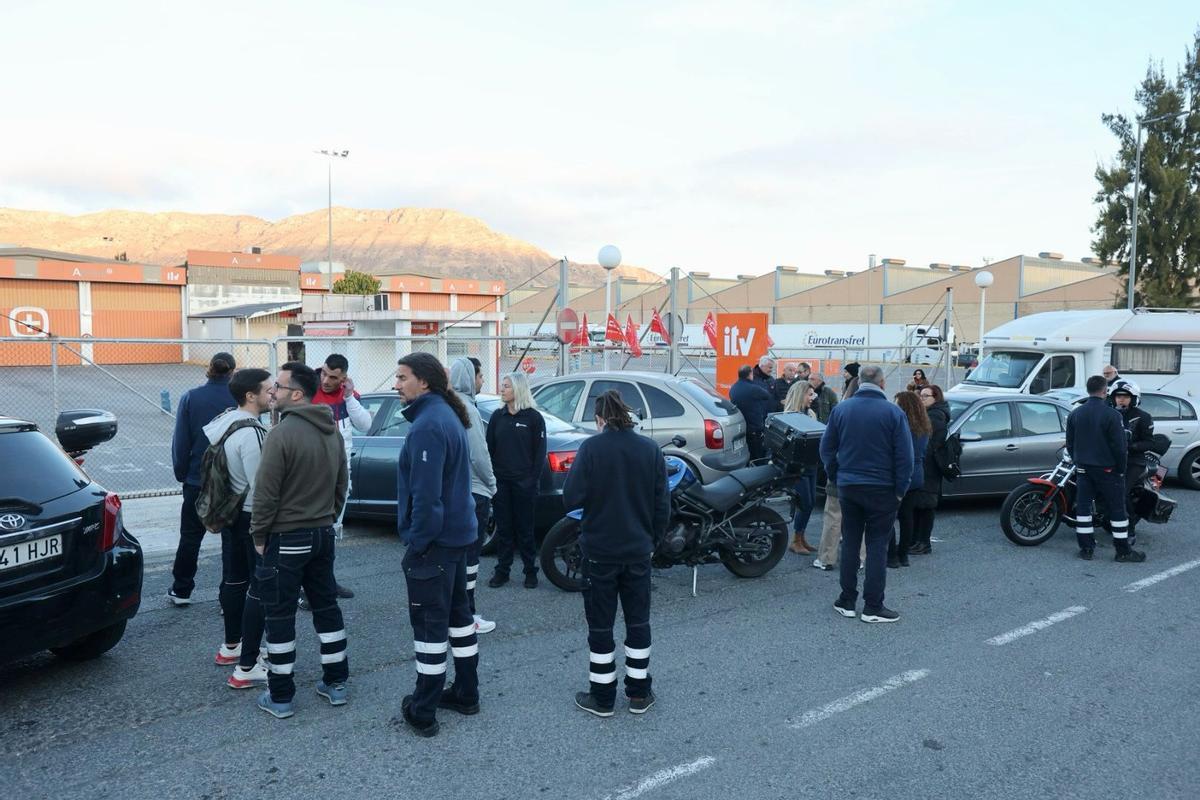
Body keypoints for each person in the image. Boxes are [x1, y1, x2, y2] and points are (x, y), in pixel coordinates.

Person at [252, 362, 350, 719]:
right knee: (326, 607)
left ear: (296, 394)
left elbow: (266, 493)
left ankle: (280, 696)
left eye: (277, 386)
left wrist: (259, 534)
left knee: (279, 614)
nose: (272, 392)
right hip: (323, 534)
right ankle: (336, 682)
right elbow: (343, 483)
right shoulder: (332, 431)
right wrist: (326, 516)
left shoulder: (281, 434)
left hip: (286, 537)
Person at [562, 391, 669, 717]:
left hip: (599, 551)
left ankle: (603, 696)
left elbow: (571, 498)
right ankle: (639, 693)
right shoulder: (649, 449)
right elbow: (662, 505)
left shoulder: (591, 448)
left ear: (599, 419)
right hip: (638, 550)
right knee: (638, 621)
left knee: (600, 626)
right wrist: (652, 541)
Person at [394, 353, 480, 737]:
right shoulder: (445, 415)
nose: (396, 384)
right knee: (459, 621)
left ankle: (423, 709)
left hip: (438, 543)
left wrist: (417, 541)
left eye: (402, 377)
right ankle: (465, 692)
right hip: (459, 537)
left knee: (430, 626)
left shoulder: (428, 425)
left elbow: (427, 498)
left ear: (423, 383)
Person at [819, 365, 913, 623]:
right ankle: (873, 606)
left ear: (859, 382)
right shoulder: (894, 413)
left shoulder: (842, 409)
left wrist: (836, 474)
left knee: (850, 542)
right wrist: (900, 490)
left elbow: (826, 448)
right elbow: (905, 456)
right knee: (876, 546)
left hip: (849, 485)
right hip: (883, 488)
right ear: (882, 383)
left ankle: (847, 600)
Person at [201, 368, 272, 689]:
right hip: (250, 517)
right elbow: (261, 488)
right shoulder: (252, 433)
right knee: (259, 587)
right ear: (250, 395)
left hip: (228, 513)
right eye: (269, 389)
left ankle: (231, 646)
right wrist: (264, 530)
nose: (274, 393)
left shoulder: (224, 423)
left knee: (233, 580)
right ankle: (251, 662)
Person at [168, 352, 236, 606]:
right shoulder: (239, 399)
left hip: (198, 479)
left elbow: (181, 441)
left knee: (190, 537)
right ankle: (228, 595)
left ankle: (182, 589)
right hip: (231, 481)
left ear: (210, 369)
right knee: (231, 541)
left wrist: (182, 473)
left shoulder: (191, 397)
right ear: (232, 371)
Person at [306, 353, 372, 602]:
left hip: (340, 474)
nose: (326, 380)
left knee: (331, 531)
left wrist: (348, 397)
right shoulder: (308, 389)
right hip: (313, 473)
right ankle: (309, 587)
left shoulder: (348, 396)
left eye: (333, 377)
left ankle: (327, 582)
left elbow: (365, 425)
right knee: (313, 531)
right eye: (324, 373)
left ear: (343, 378)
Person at [1065, 375, 1145, 563]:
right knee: (1117, 510)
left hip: (1083, 468)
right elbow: (1119, 447)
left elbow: (1070, 443)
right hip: (1108, 469)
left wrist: (1079, 462)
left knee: (1083, 509)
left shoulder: (1075, 413)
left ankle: (1086, 549)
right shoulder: (1112, 415)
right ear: (1104, 391)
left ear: (1088, 390)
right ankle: (1123, 551)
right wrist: (1120, 469)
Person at [450, 357, 498, 634]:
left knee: (458, 557)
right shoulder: (466, 409)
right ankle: (466, 616)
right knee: (470, 557)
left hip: (455, 492)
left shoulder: (447, 406)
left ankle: (457, 611)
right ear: (470, 378)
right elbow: (479, 454)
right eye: (480, 376)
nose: (482, 381)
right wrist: (492, 483)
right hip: (475, 491)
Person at [486, 371, 547, 589]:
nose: (502, 389)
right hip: (501, 483)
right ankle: (502, 571)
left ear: (518, 389)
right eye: (502, 386)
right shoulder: (496, 417)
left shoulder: (534, 418)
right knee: (504, 529)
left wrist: (531, 481)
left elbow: (539, 454)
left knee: (525, 530)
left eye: (506, 386)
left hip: (525, 485)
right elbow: (489, 450)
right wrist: (492, 479)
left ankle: (531, 572)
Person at [812, 377, 854, 571]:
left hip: (841, 473)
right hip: (870, 477)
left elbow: (826, 446)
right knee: (861, 519)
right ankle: (860, 558)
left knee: (833, 517)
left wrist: (831, 470)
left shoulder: (840, 411)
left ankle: (827, 558)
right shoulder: (889, 412)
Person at [886, 392, 930, 569]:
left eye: (897, 403)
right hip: (918, 474)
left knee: (889, 517)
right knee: (907, 517)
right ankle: (903, 555)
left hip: (900, 475)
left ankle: (892, 556)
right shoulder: (924, 425)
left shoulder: (901, 426)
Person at [1110, 380, 1155, 544]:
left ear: (1134, 398)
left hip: (1133, 461)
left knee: (1120, 492)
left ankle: (1130, 531)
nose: (1121, 399)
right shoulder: (1109, 414)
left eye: (1125, 396)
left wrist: (1131, 446)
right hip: (1111, 459)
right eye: (1118, 396)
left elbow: (1149, 442)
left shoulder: (1143, 417)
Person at [909, 385, 950, 555]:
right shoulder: (929, 414)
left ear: (936, 398)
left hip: (930, 468)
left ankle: (923, 543)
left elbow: (930, 445)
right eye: (921, 395)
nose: (922, 398)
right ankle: (916, 541)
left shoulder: (935, 416)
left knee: (926, 506)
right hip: (926, 467)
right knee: (920, 505)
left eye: (926, 396)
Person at [781, 380, 818, 555]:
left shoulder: (810, 413)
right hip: (797, 469)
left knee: (809, 504)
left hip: (811, 465)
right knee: (806, 502)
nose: (813, 398)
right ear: (800, 395)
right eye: (810, 395)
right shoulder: (790, 416)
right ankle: (795, 540)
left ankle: (801, 537)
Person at [729, 364, 775, 461]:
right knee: (757, 455)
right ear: (750, 374)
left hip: (741, 425)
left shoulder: (733, 388)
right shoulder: (753, 388)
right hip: (754, 427)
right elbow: (767, 395)